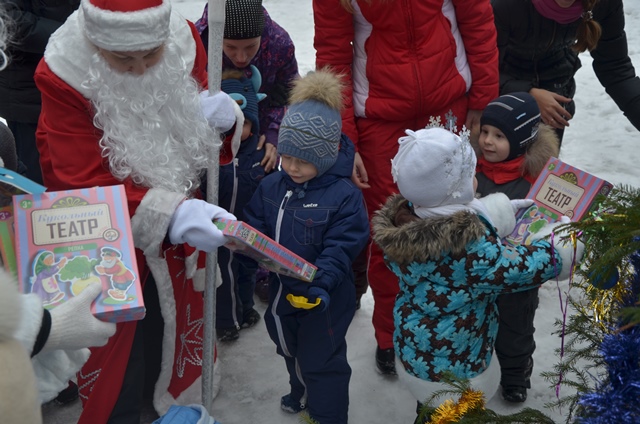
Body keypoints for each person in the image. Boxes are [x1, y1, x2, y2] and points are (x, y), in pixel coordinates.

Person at [33, 0, 239, 422]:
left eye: (152, 54)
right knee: (119, 348)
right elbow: (78, 179)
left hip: (177, 219)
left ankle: (163, 403)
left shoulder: (183, 38)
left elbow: (194, 106)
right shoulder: (63, 72)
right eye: (124, 59)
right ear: (96, 44)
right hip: (103, 233)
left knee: (170, 328)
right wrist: (172, 213)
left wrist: (218, 119)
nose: (141, 69)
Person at [313, 0, 500, 376]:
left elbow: (477, 20)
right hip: (380, 120)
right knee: (392, 234)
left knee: (460, 223)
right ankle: (391, 333)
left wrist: (484, 99)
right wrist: (346, 140)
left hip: (449, 102)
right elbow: (332, 55)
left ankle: (463, 334)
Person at [371, 125, 583, 420]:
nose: (476, 177)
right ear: (455, 190)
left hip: (418, 348)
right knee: (453, 415)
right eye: (470, 174)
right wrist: (559, 253)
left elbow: (449, 215)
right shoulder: (467, 250)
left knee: (429, 409)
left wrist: (493, 213)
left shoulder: (404, 221)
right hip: (457, 366)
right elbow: (516, 268)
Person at [242, 69, 370, 424]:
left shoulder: (343, 196)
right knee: (288, 346)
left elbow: (343, 245)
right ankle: (300, 390)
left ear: (326, 156)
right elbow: (257, 222)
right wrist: (242, 241)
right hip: (283, 292)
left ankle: (327, 415)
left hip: (324, 297)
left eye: (303, 160)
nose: (293, 167)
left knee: (322, 361)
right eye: (287, 156)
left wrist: (322, 283)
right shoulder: (273, 186)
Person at [196, 0, 300, 303]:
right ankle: (207, 266)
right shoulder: (197, 41)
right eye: (231, 48)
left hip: (256, 137)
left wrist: (273, 132)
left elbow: (287, 94)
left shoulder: (279, 43)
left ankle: (257, 269)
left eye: (250, 48)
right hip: (208, 137)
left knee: (258, 203)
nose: (241, 57)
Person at [475, 92, 560, 403]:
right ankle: (479, 368)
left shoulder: (537, 182)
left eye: (499, 136)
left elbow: (551, 225)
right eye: (484, 132)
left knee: (515, 328)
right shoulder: (471, 172)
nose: (487, 141)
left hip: (518, 278)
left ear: (523, 140)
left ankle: (514, 373)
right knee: (475, 323)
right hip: (477, 271)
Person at [492, 0, 640, 146]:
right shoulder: (505, 5)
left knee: (541, 166)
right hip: (497, 94)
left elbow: (615, 67)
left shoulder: (604, 4)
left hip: (555, 92)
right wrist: (526, 94)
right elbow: (481, 67)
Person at [0, 0, 80, 185]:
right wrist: (75, 35)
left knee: (75, 168)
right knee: (34, 177)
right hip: (28, 92)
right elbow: (10, 19)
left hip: (76, 83)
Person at [215, 66, 266, 341]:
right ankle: (226, 322)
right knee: (226, 274)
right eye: (230, 121)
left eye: (244, 123)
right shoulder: (211, 152)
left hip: (249, 227)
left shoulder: (259, 153)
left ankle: (245, 308)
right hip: (221, 229)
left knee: (246, 271)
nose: (237, 129)